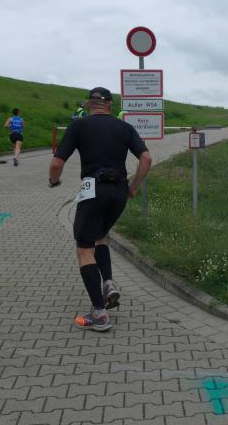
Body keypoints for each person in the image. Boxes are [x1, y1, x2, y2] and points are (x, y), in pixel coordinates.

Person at [48, 87, 152, 331]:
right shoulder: (124, 127)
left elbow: (56, 163)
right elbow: (146, 158)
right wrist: (133, 187)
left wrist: (54, 181)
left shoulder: (79, 126)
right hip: (119, 192)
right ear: (110, 106)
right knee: (100, 236)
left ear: (88, 104)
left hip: (92, 190)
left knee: (84, 249)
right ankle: (108, 283)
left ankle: (99, 314)